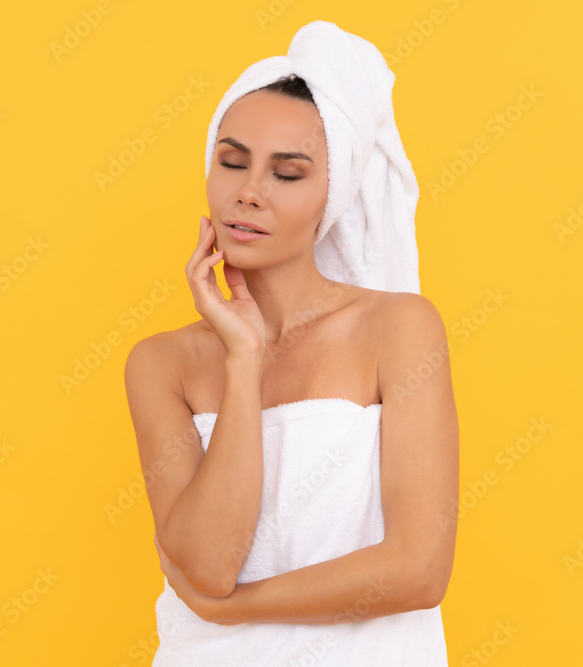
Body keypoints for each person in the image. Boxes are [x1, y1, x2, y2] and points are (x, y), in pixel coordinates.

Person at [124, 20, 458, 666]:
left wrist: (234, 608)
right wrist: (243, 362)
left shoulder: (399, 330)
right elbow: (208, 563)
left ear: (329, 194)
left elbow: (419, 568)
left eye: (288, 173)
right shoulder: (162, 364)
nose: (249, 191)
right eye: (232, 160)